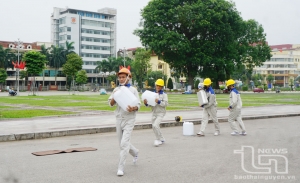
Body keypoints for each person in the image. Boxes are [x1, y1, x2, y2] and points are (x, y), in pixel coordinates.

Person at [108, 67, 140, 176]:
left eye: (123, 77)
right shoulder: (116, 89)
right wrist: (114, 96)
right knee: (121, 143)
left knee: (124, 144)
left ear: (128, 78)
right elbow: (111, 104)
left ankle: (120, 168)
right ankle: (135, 152)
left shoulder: (133, 90)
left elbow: (138, 105)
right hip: (118, 119)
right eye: (120, 77)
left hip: (129, 119)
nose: (121, 79)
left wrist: (133, 108)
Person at [143, 79, 168, 147]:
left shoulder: (164, 95)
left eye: (160, 86)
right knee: (154, 126)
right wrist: (146, 103)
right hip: (154, 112)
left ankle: (158, 139)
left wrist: (159, 101)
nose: (158, 87)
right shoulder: (152, 94)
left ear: (162, 87)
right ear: (155, 85)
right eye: (157, 85)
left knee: (155, 125)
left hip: (161, 112)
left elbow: (165, 104)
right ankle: (162, 138)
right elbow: (150, 104)